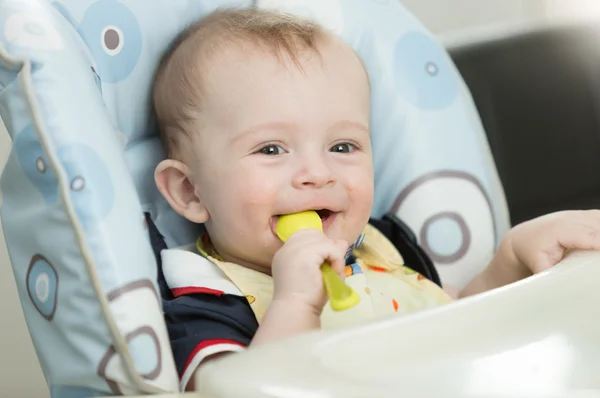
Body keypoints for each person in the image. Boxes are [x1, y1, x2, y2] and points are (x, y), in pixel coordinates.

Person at [151, 8, 600, 391]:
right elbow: (238, 391)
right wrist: (295, 304)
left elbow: (454, 324)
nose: (318, 174)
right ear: (190, 192)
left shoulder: (381, 248)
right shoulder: (205, 303)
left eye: (342, 147)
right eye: (271, 149)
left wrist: (513, 259)